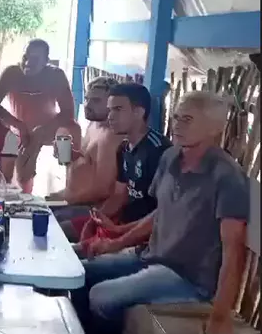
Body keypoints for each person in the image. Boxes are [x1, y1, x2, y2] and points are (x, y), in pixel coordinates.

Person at [73, 91, 250, 334]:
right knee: (78, 272)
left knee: (101, 296)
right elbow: (160, 213)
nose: (177, 125)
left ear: (214, 128)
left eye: (187, 119)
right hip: (150, 257)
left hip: (188, 279)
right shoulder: (171, 157)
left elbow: (234, 251)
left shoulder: (227, 176)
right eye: (176, 117)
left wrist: (220, 316)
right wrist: (116, 240)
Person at [68, 83, 172, 258]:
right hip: (119, 224)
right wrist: (95, 220)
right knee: (61, 240)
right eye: (110, 110)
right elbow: (119, 195)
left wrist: (118, 234)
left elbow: (163, 213)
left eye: (118, 109)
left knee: (76, 259)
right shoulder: (124, 148)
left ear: (138, 112)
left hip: (144, 238)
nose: (110, 116)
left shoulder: (159, 151)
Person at [0, 39, 82, 193]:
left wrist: (42, 130)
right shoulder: (11, 73)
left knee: (72, 129)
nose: (28, 63)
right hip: (20, 130)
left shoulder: (56, 75)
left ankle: (72, 183)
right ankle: (24, 190)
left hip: (50, 129)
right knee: (22, 176)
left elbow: (68, 112)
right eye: (25, 57)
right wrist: (19, 125)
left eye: (35, 59)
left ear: (46, 61)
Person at [49, 77, 124, 224]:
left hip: (93, 210)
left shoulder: (110, 136)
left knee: (45, 221)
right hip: (75, 201)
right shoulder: (94, 125)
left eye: (96, 101)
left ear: (112, 104)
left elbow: (104, 189)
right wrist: (71, 155)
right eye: (87, 99)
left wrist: (67, 198)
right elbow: (89, 162)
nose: (87, 105)